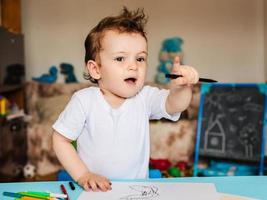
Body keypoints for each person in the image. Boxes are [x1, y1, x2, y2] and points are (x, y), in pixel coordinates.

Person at [52, 7, 199, 192]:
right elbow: (60, 140)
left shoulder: (145, 97)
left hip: (137, 191)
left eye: (140, 59)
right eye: (120, 58)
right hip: (95, 191)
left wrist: (181, 88)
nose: (133, 66)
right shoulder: (84, 101)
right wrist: (83, 175)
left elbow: (174, 105)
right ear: (96, 69)